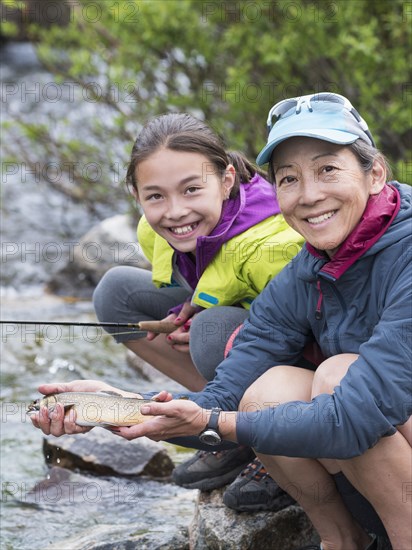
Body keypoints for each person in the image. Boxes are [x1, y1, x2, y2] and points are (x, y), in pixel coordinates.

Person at [31, 92, 411, 550]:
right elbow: (223, 395)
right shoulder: (307, 269)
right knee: (261, 396)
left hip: (376, 442)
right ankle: (344, 541)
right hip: (380, 458)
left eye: (328, 170)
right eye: (289, 179)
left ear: (375, 174)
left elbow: (354, 416)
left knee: (335, 377)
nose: (309, 196)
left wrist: (220, 424)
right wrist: (116, 406)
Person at [91, 113, 305, 509]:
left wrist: (220, 314)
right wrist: (190, 303)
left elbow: (307, 331)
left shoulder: (270, 247)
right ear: (137, 195)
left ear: (226, 181)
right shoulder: (157, 227)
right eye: (155, 196)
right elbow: (213, 275)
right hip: (242, 328)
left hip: (299, 363)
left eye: (191, 190)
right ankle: (217, 425)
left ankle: (269, 442)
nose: (174, 212)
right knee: (116, 293)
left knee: (210, 333)